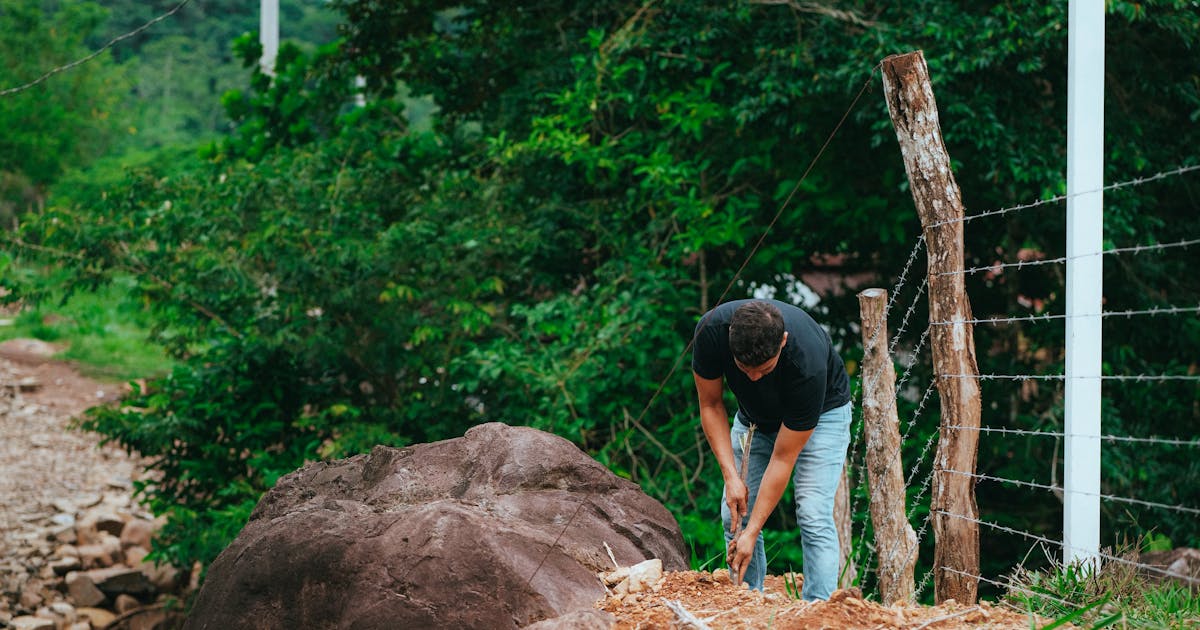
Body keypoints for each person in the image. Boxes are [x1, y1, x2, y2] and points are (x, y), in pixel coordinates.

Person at [691, 298, 851, 601]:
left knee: (813, 512)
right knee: (732, 513)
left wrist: (752, 532)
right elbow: (710, 405)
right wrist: (731, 478)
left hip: (823, 415)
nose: (752, 378)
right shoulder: (711, 332)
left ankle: (817, 610)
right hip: (754, 418)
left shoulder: (808, 362)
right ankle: (749, 600)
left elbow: (783, 458)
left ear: (783, 342)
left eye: (763, 369)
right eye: (743, 369)